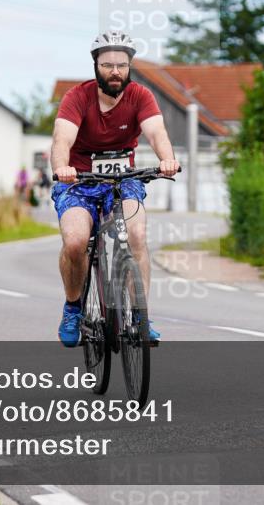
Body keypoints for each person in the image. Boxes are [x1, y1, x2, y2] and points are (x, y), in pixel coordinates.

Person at [50, 30, 180, 347]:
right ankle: (73, 308)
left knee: (136, 235)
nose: (115, 72)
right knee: (76, 241)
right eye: (107, 65)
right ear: (96, 66)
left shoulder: (141, 96)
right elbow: (61, 140)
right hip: (79, 181)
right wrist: (62, 167)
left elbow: (157, 132)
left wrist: (167, 159)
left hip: (123, 180)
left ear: (129, 66)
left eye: (121, 65)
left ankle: (140, 317)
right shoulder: (77, 97)